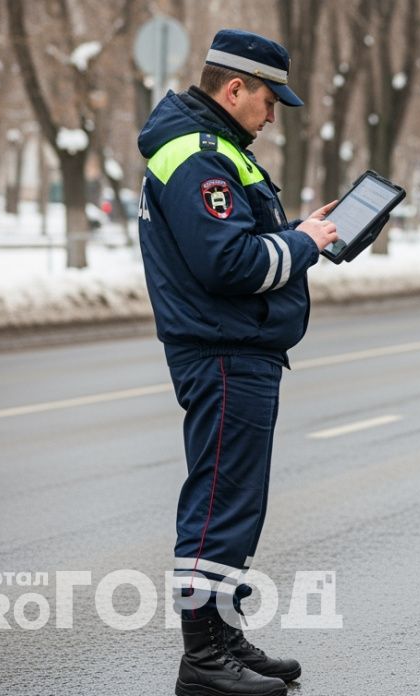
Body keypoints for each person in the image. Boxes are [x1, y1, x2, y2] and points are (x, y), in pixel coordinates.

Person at [137, 29, 339, 696]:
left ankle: (222, 637)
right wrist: (304, 244)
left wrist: (298, 234)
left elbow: (244, 240)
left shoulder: (219, 151)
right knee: (220, 501)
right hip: (223, 348)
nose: (273, 112)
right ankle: (203, 658)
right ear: (234, 88)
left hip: (241, 348)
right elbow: (226, 262)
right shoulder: (196, 155)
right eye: (269, 99)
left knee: (236, 503)